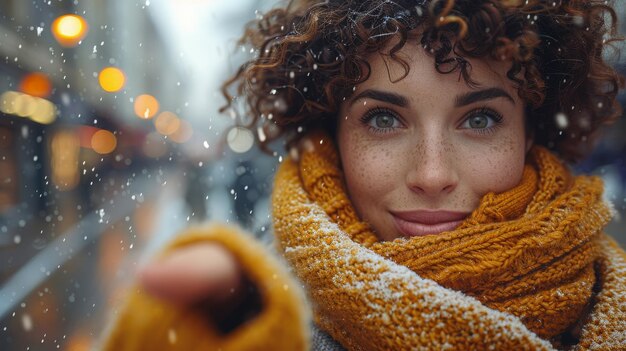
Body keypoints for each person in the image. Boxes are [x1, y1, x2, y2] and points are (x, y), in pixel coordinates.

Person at [102, 0, 626, 350]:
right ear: (335, 134)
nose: (432, 174)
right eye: (383, 119)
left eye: (481, 119)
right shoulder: (262, 320)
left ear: (528, 132)